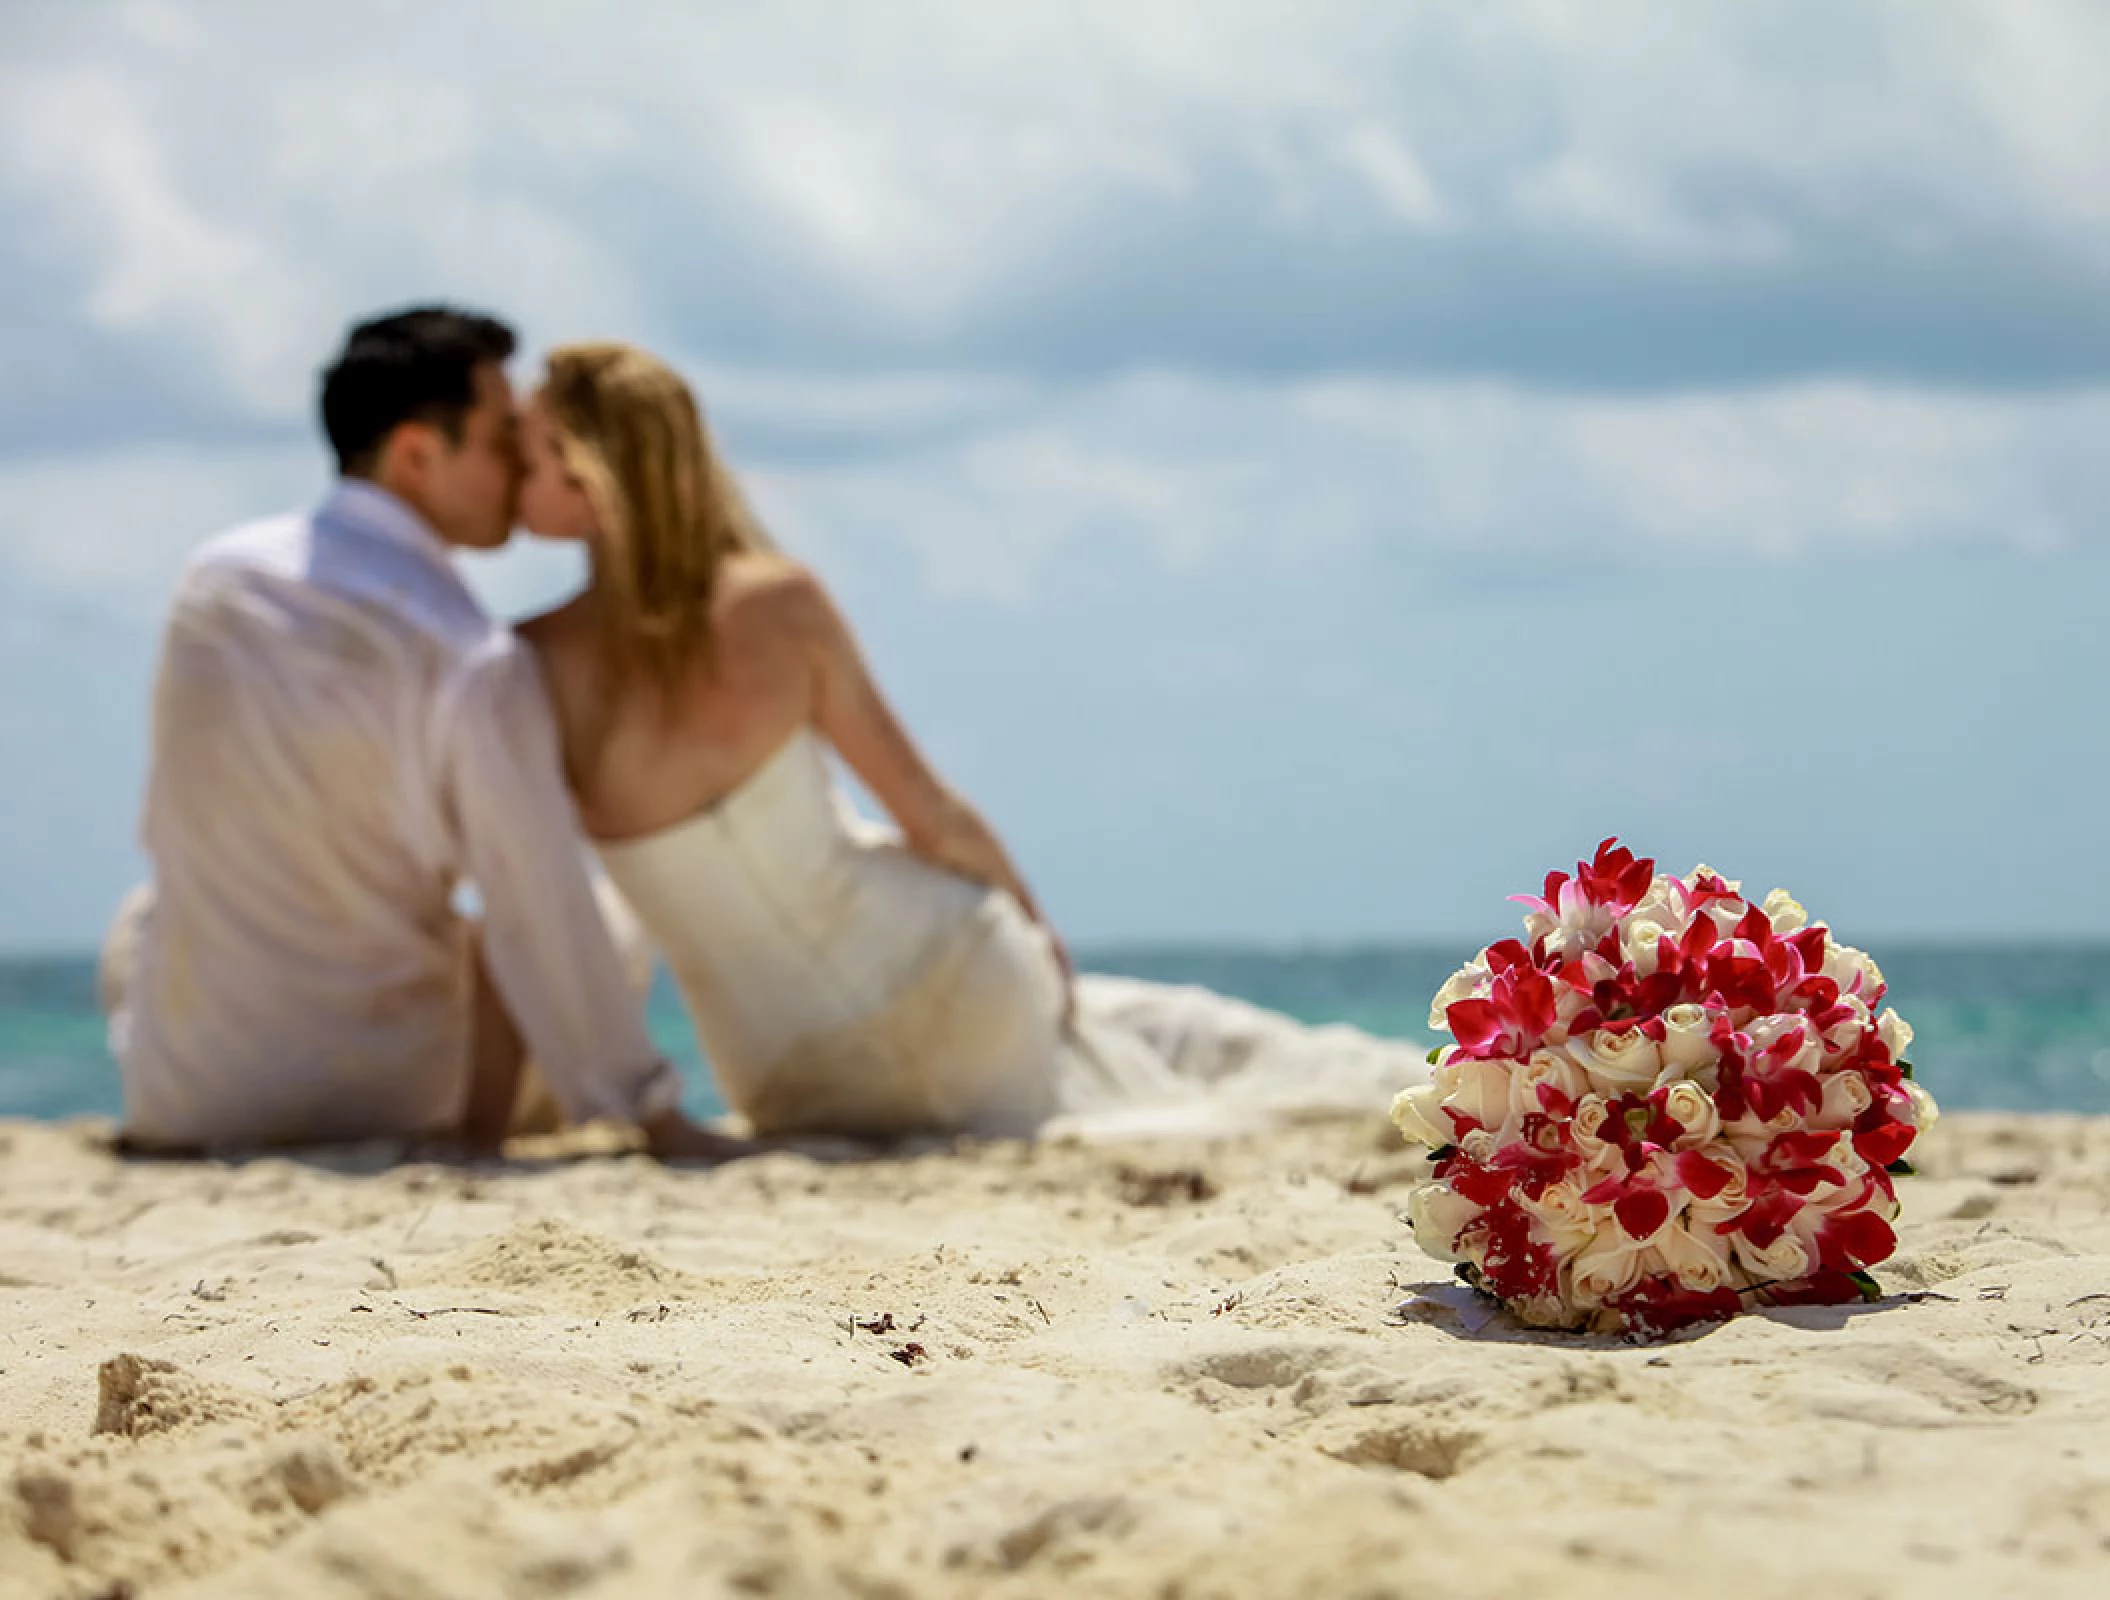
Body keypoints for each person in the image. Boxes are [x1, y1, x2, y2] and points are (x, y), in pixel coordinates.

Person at [515, 340, 1428, 1141]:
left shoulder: (535, 663)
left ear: (595, 479)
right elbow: (930, 815)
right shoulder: (777, 604)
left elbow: (545, 901)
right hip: (949, 987)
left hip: (785, 1080)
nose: (514, 462)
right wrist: (1035, 926)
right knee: (1173, 1034)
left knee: (1153, 1039)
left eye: (534, 447)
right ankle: (1442, 1080)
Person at [101, 308, 741, 1160]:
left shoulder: (212, 583)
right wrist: (653, 1111)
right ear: (416, 455)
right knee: (600, 913)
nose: (521, 461)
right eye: (500, 438)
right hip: (383, 1090)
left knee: (146, 911)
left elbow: (166, 821)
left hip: (185, 1091)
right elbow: (535, 904)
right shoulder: (469, 652)